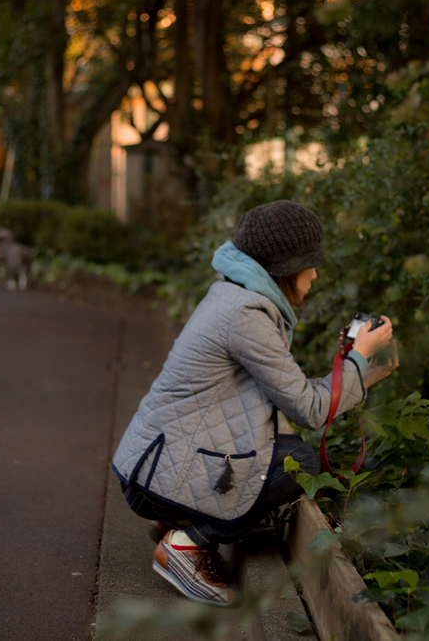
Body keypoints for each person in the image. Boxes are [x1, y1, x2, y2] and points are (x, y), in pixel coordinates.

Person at [111, 200, 398, 606]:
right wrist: (357, 357)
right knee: (300, 464)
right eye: (310, 264)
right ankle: (189, 543)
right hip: (157, 476)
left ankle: (180, 516)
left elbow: (297, 396)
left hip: (151, 465)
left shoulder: (235, 298)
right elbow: (311, 410)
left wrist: (366, 373)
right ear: (285, 267)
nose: (315, 274)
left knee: (287, 451)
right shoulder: (247, 315)